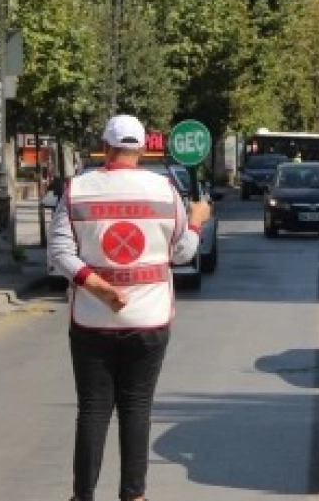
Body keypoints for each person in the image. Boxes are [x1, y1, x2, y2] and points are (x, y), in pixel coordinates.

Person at [48, 114, 211, 501]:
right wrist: (197, 223)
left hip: (91, 319)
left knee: (92, 409)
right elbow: (183, 252)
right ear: (142, 149)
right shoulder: (164, 190)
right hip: (150, 317)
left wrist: (97, 285)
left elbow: (59, 252)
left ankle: (82, 495)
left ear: (105, 147)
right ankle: (134, 495)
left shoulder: (79, 189)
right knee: (137, 407)